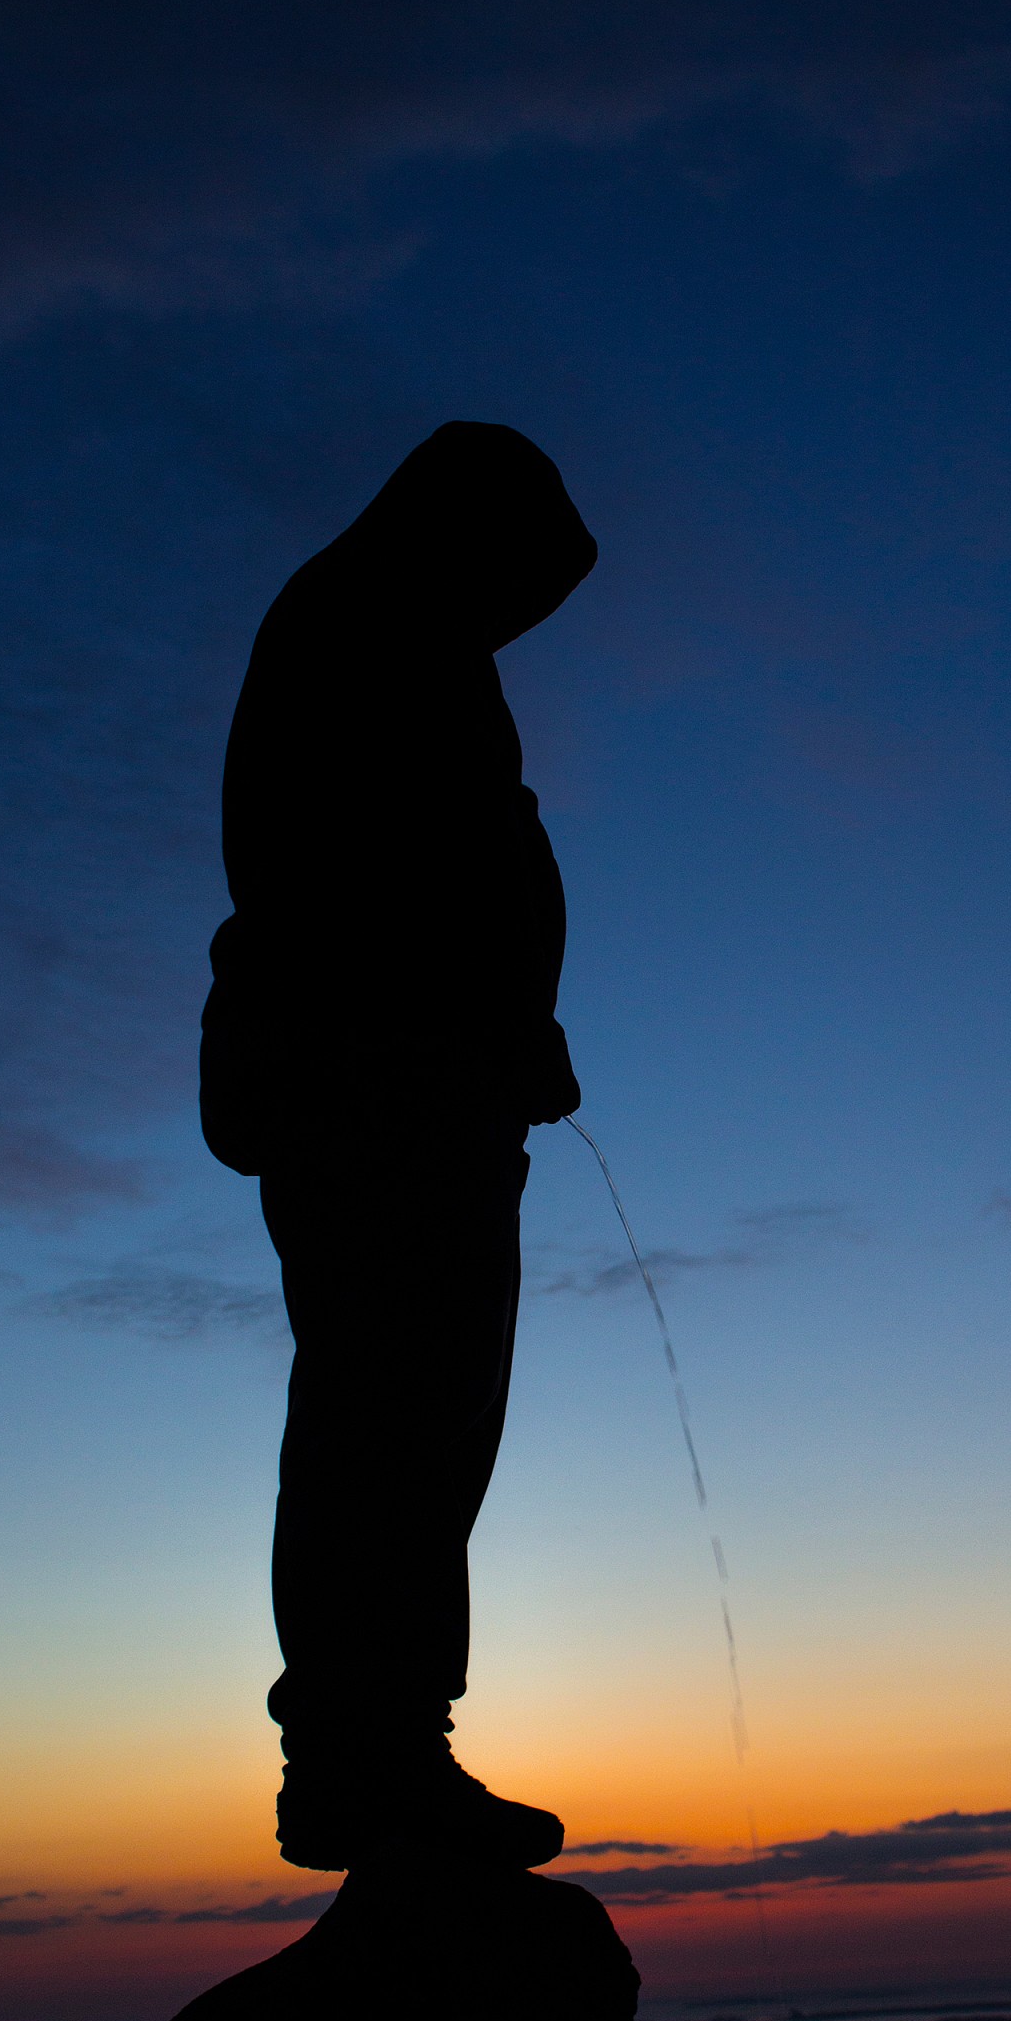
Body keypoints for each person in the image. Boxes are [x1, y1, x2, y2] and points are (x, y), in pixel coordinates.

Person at [200, 421, 597, 1870]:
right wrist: (482, 1019)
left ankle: (382, 1744)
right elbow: (376, 875)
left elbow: (457, 859)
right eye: (514, 582)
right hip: (381, 1086)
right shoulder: (367, 629)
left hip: (419, 1083)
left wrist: (505, 1024)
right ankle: (365, 1757)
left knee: (416, 1424)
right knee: (395, 1415)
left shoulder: (401, 629)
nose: (518, 620)